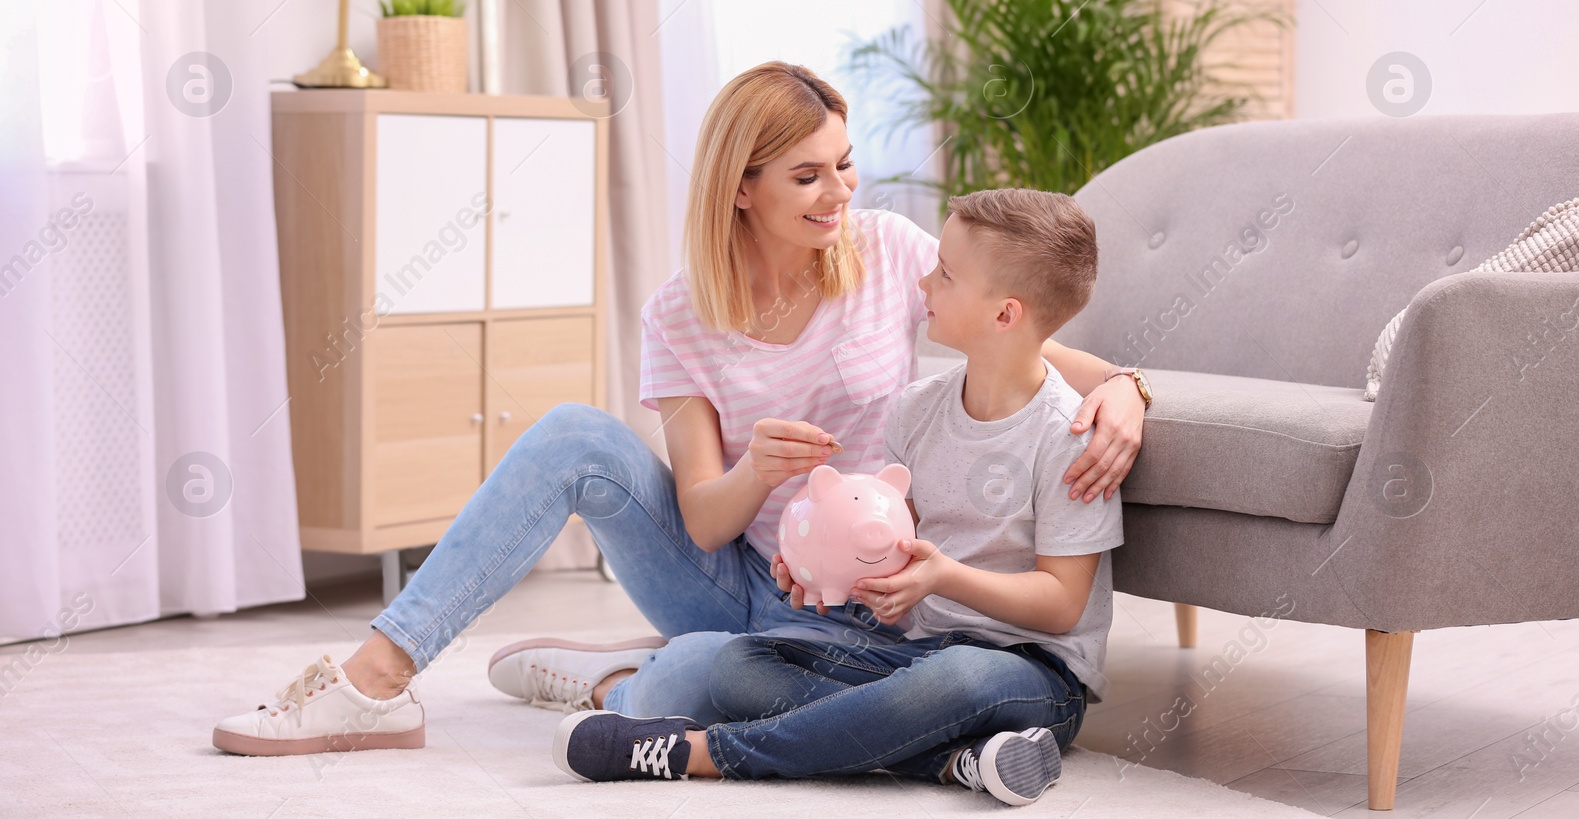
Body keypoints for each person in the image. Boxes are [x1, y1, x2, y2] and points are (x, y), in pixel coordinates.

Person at [212, 64, 1148, 758]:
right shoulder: (680, 312)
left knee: (698, 677)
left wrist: (1128, 392)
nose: (841, 193)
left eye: (845, 165)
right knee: (573, 435)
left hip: (875, 600)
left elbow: (1039, 348)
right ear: (741, 186)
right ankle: (378, 680)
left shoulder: (891, 254)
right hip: (741, 573)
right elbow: (703, 515)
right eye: (807, 176)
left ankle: (628, 674)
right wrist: (759, 470)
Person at [551, 188, 1131, 809]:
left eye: (945, 273)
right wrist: (819, 563)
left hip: (1028, 672)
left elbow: (1063, 605)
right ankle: (953, 761)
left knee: (958, 677)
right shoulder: (916, 410)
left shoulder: (1069, 437)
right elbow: (895, 543)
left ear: (1005, 315)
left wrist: (943, 578)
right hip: (913, 653)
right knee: (740, 668)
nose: (923, 280)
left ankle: (702, 754)